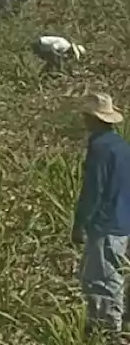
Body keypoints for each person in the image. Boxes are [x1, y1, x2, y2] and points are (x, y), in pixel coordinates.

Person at [72, 92, 130, 340]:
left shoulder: (99, 148)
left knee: (103, 279)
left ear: (91, 119)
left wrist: (79, 223)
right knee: (113, 274)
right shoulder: (122, 146)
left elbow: (93, 190)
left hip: (106, 223)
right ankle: (115, 324)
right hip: (124, 220)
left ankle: (108, 331)